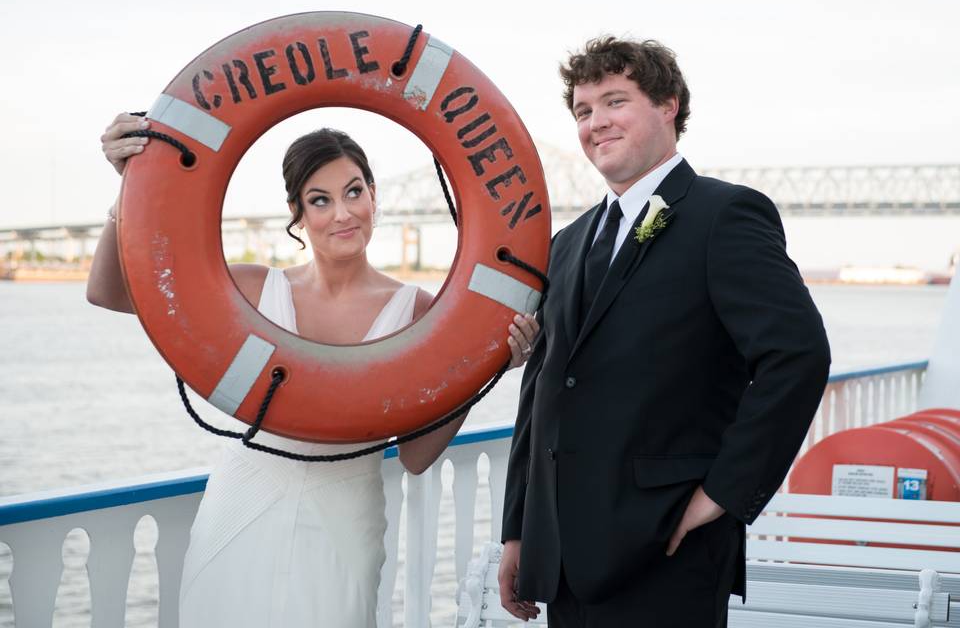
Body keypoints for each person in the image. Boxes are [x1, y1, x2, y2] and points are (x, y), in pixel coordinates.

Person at [88, 114, 540, 627]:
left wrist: (483, 368)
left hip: (343, 519)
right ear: (297, 214)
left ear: (374, 195)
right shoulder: (254, 290)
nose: (342, 213)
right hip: (242, 504)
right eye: (319, 200)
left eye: (353, 191)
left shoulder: (418, 313)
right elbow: (111, 292)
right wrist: (132, 186)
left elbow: (415, 457)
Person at [498, 37, 831, 627]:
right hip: (566, 564)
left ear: (668, 104)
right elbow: (544, 389)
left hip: (669, 548)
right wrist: (518, 531)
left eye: (615, 101)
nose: (596, 122)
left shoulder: (724, 215)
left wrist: (724, 495)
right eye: (582, 111)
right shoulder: (566, 244)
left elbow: (797, 356)